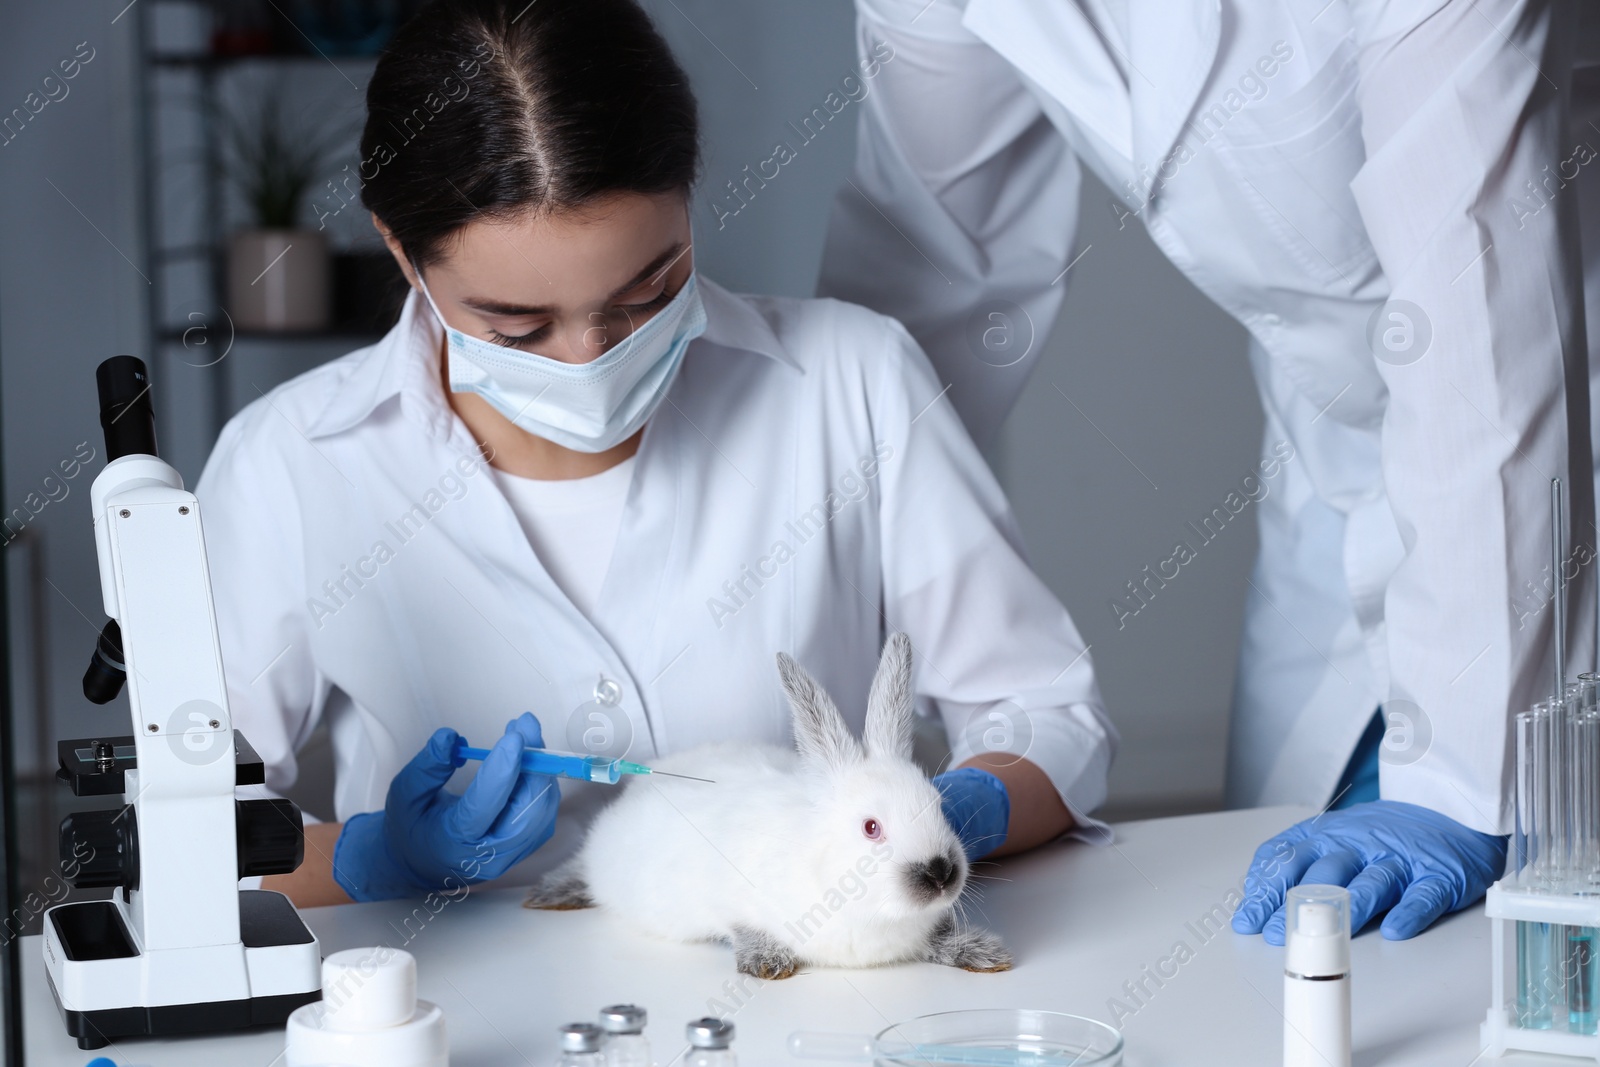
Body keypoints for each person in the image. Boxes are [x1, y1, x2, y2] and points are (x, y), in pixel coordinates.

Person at [196, 0, 1115, 907]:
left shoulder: (853, 380)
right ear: (401, 251)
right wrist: (377, 860)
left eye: (645, 293)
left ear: (687, 195)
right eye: (516, 326)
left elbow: (1048, 713)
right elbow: (185, 831)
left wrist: (947, 815)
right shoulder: (290, 462)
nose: (590, 358)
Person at [818, 0, 1596, 941]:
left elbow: (1479, 331)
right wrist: (812, 604)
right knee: (1267, 925)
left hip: (1549, 410)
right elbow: (933, 279)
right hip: (1338, 442)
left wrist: (1464, 781)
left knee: (1511, 938)